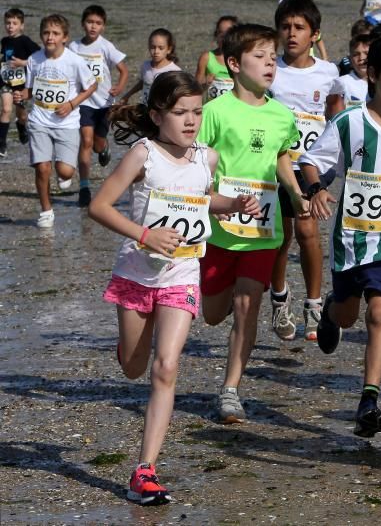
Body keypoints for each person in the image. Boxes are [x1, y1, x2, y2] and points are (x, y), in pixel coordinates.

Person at [88, 71, 258, 506]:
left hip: (182, 275)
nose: (190, 121)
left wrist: (233, 204)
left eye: (197, 112)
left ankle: (144, 470)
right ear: (157, 114)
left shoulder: (208, 158)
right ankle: (128, 349)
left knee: (166, 368)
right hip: (136, 274)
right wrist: (146, 236)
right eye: (180, 113)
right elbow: (99, 206)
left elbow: (203, 199)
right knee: (133, 366)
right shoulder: (142, 155)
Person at [299, 25, 381, 438]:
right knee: (349, 314)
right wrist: (318, 189)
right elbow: (308, 162)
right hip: (351, 237)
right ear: (373, 72)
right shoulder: (347, 123)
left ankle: (369, 398)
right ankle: (330, 315)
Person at [196, 23, 304, 424]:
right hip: (219, 230)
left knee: (247, 306)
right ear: (233, 64)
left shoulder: (281, 115)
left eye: (272, 57)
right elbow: (197, 162)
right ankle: (217, 297)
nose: (269, 64)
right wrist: (212, 201)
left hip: (262, 230)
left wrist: (295, 193)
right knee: (212, 312)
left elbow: (282, 158)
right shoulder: (213, 112)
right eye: (259, 57)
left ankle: (230, 390)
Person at [267, 0, 341, 342]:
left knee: (309, 233)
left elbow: (337, 112)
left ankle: (314, 304)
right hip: (277, 166)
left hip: (312, 168)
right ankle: (280, 298)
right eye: (286, 27)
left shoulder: (328, 72)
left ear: (315, 34)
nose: (291, 34)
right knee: (282, 238)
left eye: (299, 28)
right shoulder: (269, 70)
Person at [14, 14, 97, 227]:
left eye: (55, 33)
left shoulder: (75, 61)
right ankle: (46, 211)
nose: (50, 37)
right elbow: (30, 90)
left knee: (65, 171)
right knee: (42, 167)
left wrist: (71, 104)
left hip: (67, 123)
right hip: (39, 120)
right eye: (46, 33)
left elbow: (91, 86)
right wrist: (22, 96)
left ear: (65, 38)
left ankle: (67, 173)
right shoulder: (34, 59)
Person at [69, 4, 129, 207]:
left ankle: (104, 149)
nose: (93, 27)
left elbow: (123, 70)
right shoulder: (74, 47)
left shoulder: (106, 46)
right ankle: (84, 188)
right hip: (83, 101)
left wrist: (119, 87)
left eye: (98, 23)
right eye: (89, 22)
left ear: (103, 26)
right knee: (85, 141)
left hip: (104, 102)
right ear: (83, 24)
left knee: (97, 143)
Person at [0, 8, 41, 156]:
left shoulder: (26, 41)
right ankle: (2, 144)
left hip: (21, 84)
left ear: (21, 25)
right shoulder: (4, 41)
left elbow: (39, 57)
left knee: (22, 115)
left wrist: (22, 63)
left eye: (14, 23)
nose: (10, 26)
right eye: (8, 23)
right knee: (6, 109)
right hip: (6, 81)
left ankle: (21, 125)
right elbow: (4, 59)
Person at [120, 29, 181, 105]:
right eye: (153, 47)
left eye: (161, 48)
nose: (156, 51)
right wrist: (128, 95)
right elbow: (144, 82)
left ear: (169, 49)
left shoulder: (174, 71)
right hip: (146, 109)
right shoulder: (146, 66)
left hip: (162, 114)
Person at [196, 16, 239, 101]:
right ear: (216, 35)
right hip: (211, 107)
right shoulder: (206, 57)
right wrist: (205, 83)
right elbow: (195, 88)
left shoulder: (241, 59)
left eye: (228, 32)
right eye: (220, 33)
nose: (223, 36)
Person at [330, 33, 371, 113]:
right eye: (356, 54)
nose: (362, 58)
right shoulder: (342, 82)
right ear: (350, 59)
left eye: (366, 53)